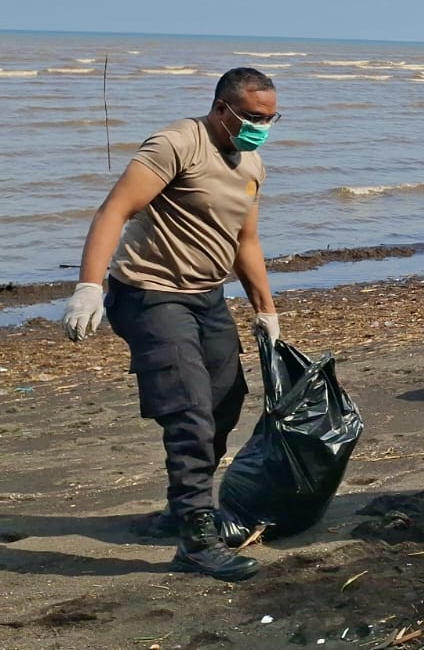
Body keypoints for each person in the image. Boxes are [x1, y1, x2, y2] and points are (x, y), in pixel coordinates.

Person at [60, 68, 284, 582]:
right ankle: (196, 541)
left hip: (208, 298)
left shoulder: (251, 163)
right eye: (252, 117)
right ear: (222, 108)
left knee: (225, 405)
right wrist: (89, 286)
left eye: (271, 119)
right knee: (189, 413)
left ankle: (180, 511)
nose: (261, 127)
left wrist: (265, 311)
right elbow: (115, 209)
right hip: (150, 295)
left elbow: (245, 241)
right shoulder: (174, 145)